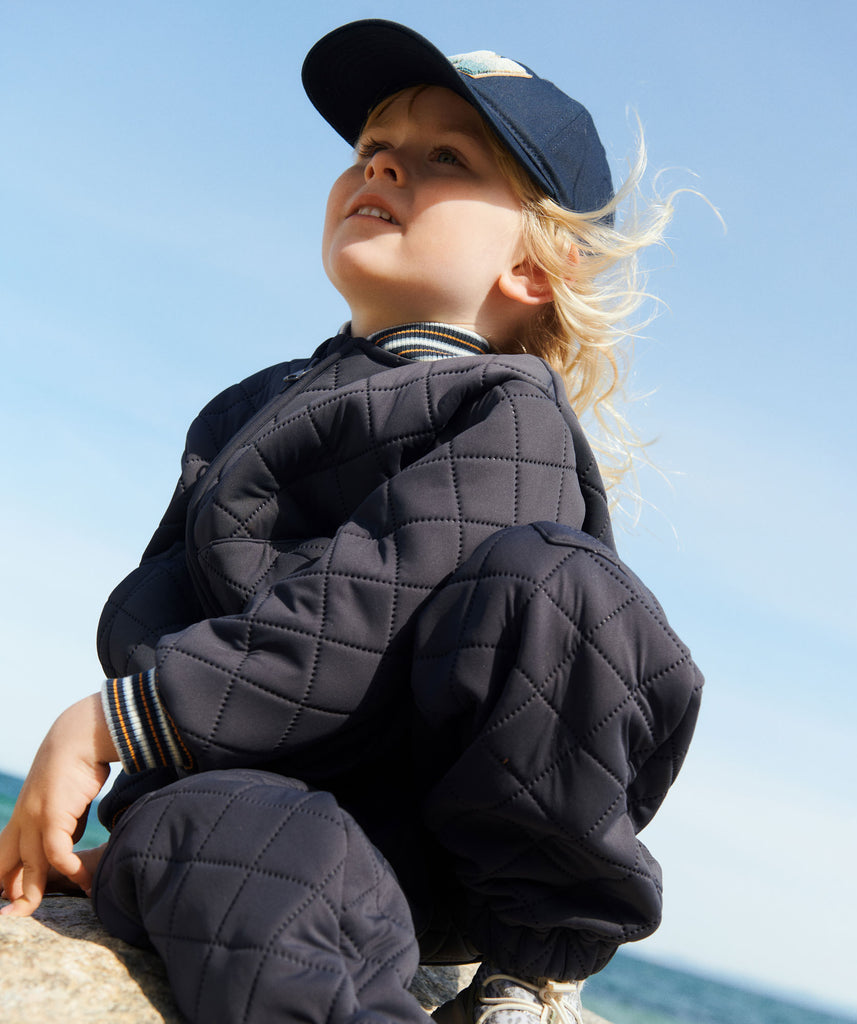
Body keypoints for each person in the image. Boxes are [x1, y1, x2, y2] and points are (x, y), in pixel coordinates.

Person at [0, 19, 703, 1024]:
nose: (382, 164)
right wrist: (152, 796)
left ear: (535, 271)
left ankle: (530, 966)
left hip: (440, 834)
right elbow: (160, 600)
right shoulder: (249, 407)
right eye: (372, 146)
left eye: (445, 157)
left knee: (555, 581)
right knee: (221, 851)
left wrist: (120, 718)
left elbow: (368, 609)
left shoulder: (506, 413)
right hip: (274, 812)